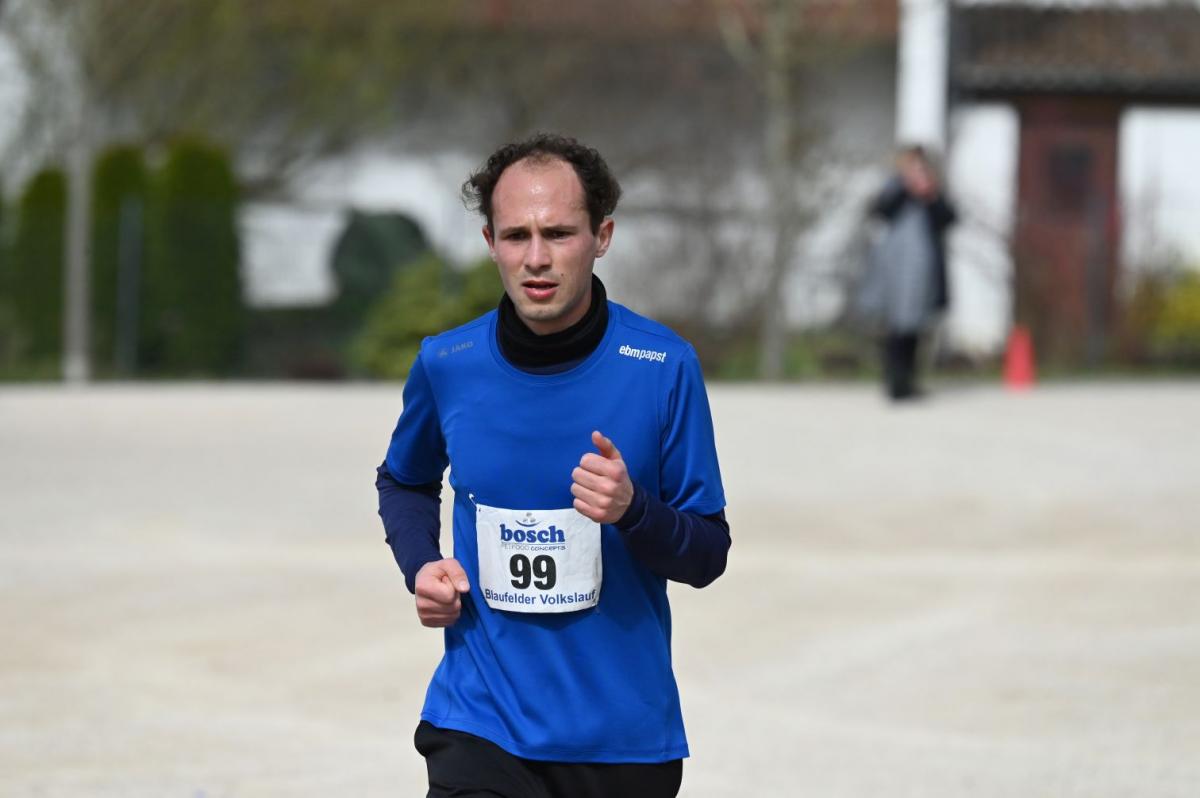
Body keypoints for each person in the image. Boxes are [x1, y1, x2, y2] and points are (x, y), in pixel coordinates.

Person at [375, 133, 730, 798]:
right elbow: (404, 478)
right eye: (516, 236)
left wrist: (634, 511)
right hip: (479, 722)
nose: (536, 258)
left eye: (559, 234)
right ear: (490, 242)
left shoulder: (663, 367)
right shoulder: (447, 364)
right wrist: (420, 562)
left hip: (622, 741)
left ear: (602, 237)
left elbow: (708, 555)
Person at [862, 145, 957, 401]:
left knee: (915, 327)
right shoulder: (894, 189)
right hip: (895, 272)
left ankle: (908, 380)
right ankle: (895, 382)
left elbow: (949, 219)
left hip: (923, 273)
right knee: (897, 328)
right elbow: (881, 212)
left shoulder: (932, 192)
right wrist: (907, 189)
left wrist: (931, 195)